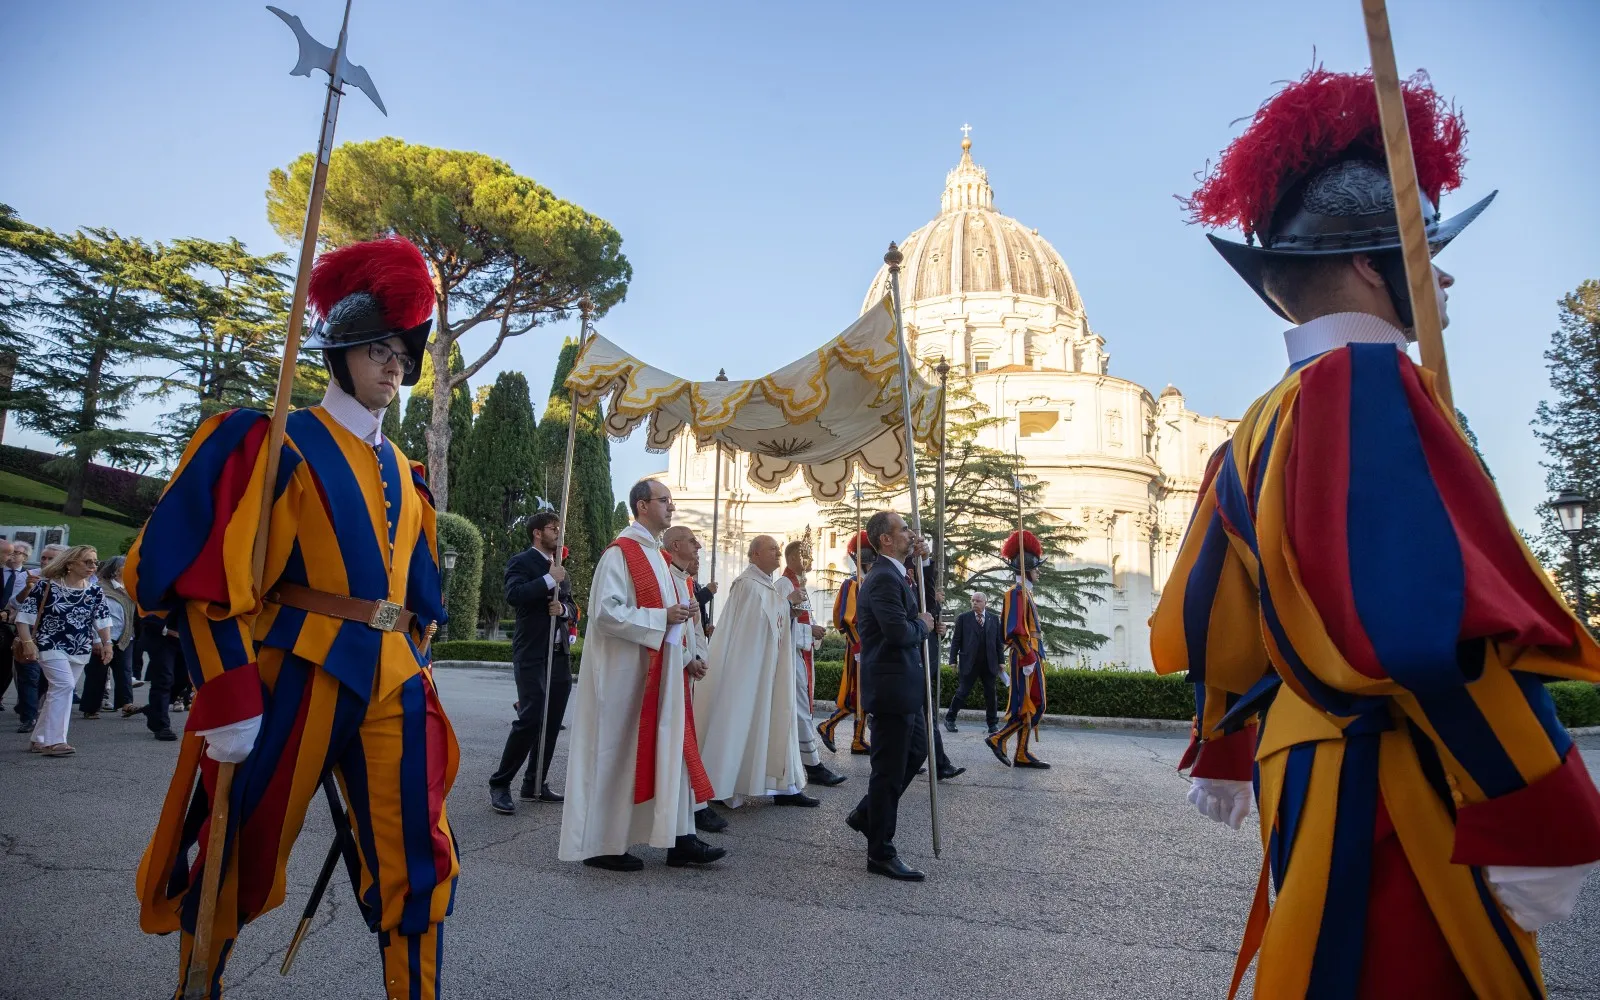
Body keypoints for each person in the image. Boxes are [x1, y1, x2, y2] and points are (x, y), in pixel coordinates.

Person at [1153, 69, 1600, 998]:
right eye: (1424, 249)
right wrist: (1538, 800)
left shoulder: (1255, 425)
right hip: (1398, 782)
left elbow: (1213, 614)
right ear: (1369, 263)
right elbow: (1425, 627)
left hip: (1302, 770)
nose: (1440, 273)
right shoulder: (1371, 388)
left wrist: (1226, 745)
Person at [125, 236, 458, 999]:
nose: (394, 366)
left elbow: (419, 595)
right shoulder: (275, 441)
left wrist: (420, 658)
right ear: (339, 352)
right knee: (235, 852)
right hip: (295, 670)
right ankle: (197, 987)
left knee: (421, 858)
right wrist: (228, 692)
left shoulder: (408, 473)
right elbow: (209, 579)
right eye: (379, 349)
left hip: (393, 681)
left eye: (403, 354)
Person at [559, 479, 725, 871]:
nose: (672, 507)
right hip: (624, 678)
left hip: (663, 675)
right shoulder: (621, 553)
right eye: (664, 500)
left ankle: (680, 838)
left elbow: (676, 620)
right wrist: (660, 618)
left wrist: (686, 657)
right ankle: (601, 845)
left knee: (672, 752)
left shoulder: (657, 556)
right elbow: (606, 612)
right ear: (642, 506)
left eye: (671, 501)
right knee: (616, 754)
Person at [844, 510, 936, 881]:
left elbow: (919, 612)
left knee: (915, 752)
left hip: (904, 686)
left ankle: (867, 815)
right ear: (885, 539)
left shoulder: (898, 574)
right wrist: (923, 626)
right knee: (888, 771)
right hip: (891, 686)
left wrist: (924, 562)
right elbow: (899, 631)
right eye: (904, 530)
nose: (911, 535)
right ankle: (880, 851)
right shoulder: (882, 578)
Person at [693, 535, 816, 810]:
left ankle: (784, 786)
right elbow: (753, 627)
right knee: (745, 721)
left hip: (767, 668)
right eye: (772, 549)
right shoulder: (748, 585)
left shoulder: (766, 586)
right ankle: (728, 784)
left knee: (776, 721)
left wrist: (788, 609)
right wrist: (787, 602)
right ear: (755, 554)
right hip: (748, 671)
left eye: (778, 550)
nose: (777, 554)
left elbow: (772, 623)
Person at [489, 511, 577, 815]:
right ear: (538, 533)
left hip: (558, 654)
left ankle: (534, 782)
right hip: (531, 652)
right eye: (554, 529)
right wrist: (546, 581)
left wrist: (563, 608)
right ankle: (500, 783)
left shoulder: (560, 568)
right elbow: (514, 595)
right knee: (531, 716)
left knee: (552, 721)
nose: (559, 533)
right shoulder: (522, 562)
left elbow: (574, 607)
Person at [14, 544, 113, 756]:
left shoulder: (94, 590)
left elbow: (102, 620)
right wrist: (28, 643)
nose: (92, 566)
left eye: (95, 562)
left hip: (80, 646)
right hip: (49, 644)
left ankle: (39, 738)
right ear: (70, 564)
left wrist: (107, 644)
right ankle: (55, 741)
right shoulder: (46, 586)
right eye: (87, 562)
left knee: (58, 691)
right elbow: (24, 618)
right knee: (65, 686)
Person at [775, 540, 846, 788]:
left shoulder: (799, 584)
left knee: (801, 710)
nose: (812, 563)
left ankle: (804, 764)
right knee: (800, 711)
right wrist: (809, 631)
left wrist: (812, 631)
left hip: (800, 655)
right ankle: (814, 766)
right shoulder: (784, 584)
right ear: (794, 558)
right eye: (807, 557)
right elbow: (777, 622)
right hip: (790, 658)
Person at [985, 532, 1049, 769]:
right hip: (1025, 655)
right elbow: (1013, 629)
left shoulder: (1026, 592)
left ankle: (1021, 752)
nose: (1039, 572)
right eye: (1037, 567)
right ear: (1029, 566)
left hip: (1032, 653)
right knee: (1030, 703)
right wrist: (1028, 656)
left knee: (1032, 704)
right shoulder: (1016, 592)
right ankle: (998, 738)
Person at [818, 530, 873, 755]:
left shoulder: (869, 583)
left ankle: (857, 739)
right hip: (859, 647)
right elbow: (846, 619)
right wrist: (859, 646)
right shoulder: (853, 584)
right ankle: (827, 725)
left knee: (865, 693)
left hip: (870, 646)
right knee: (857, 693)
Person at [80, 554, 137, 718]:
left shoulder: (129, 588)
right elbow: (93, 615)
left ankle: (127, 704)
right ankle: (91, 708)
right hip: (104, 636)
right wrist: (96, 639)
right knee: (98, 672)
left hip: (125, 636)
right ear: (115, 570)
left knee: (124, 671)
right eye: (125, 565)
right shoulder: (100, 588)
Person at [946, 592, 1003, 734]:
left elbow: (998, 643)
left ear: (985, 603)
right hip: (969, 662)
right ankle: (950, 719)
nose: (974, 603)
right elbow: (956, 641)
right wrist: (952, 660)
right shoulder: (963, 618)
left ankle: (992, 724)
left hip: (989, 663)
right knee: (962, 692)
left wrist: (1001, 661)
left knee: (991, 694)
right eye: (972, 601)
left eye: (977, 601)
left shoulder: (994, 619)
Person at [125, 613, 181, 741]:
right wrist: (167, 629)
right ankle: (162, 726)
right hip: (160, 636)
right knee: (164, 678)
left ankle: (155, 709)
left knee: (183, 680)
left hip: (185, 635)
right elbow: (145, 608)